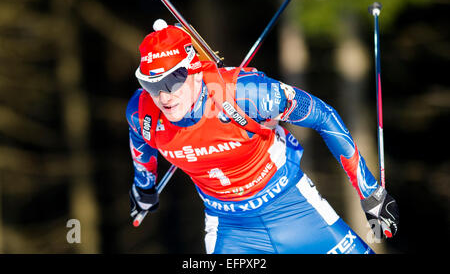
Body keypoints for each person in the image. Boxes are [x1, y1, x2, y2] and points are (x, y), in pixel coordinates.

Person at [126, 20, 399, 254]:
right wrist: (144, 187)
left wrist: (370, 192)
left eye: (172, 81)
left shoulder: (246, 95)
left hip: (293, 208)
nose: (164, 96)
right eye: (151, 84)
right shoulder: (143, 114)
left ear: (195, 70)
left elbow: (322, 115)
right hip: (230, 229)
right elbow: (140, 142)